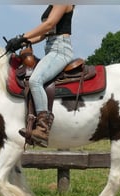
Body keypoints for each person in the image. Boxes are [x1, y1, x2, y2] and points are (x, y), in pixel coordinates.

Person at [6, 5, 75, 147]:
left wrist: (22, 36)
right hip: (51, 48)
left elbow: (49, 24)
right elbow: (44, 34)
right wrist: (23, 42)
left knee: (35, 80)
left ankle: (43, 130)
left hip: (60, 50)